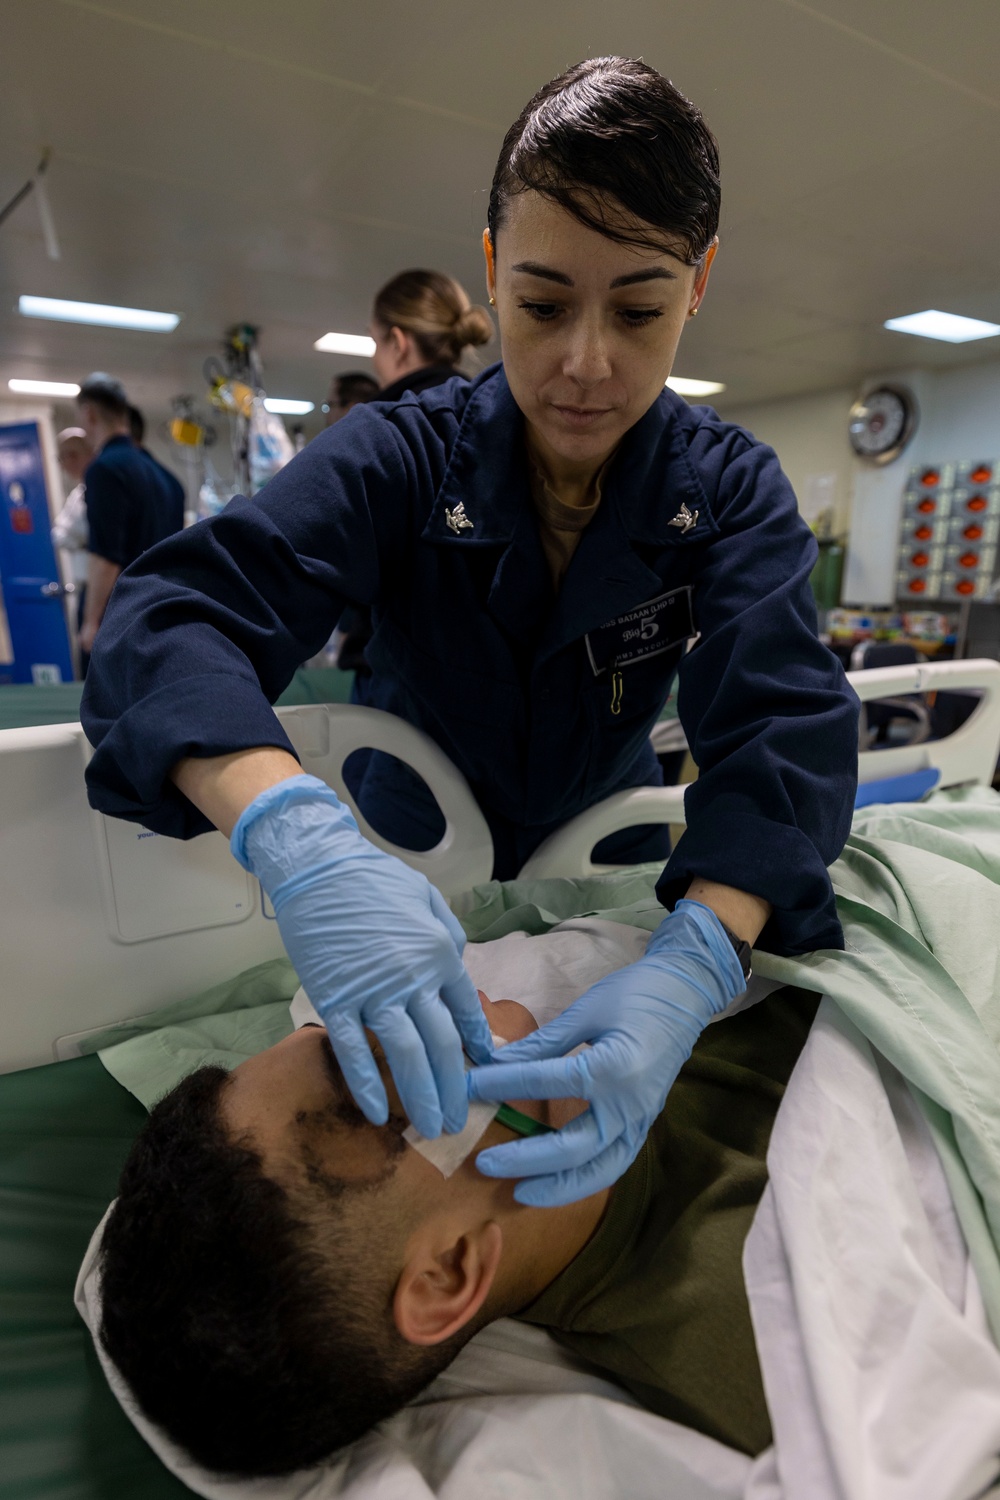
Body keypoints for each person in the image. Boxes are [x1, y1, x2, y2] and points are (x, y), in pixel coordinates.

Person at [81, 58, 858, 1209]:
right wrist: (298, 838)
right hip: (396, 855)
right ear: (491, 272)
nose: (586, 362)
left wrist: (697, 958)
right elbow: (171, 618)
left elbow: (784, 723)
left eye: (638, 310)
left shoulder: (727, 490)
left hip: (607, 855)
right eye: (543, 304)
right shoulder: (400, 457)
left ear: (697, 287)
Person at [97, 978, 818, 1477]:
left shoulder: (572, 1003)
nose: (401, 1003)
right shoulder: (790, 1342)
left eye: (328, 1025)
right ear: (448, 1273)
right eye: (380, 1073)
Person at [336, 269, 494, 692]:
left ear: (398, 342)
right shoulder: (497, 419)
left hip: (396, 679)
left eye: (375, 343)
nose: (374, 358)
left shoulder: (381, 430)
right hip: (484, 680)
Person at [76, 375, 185, 660]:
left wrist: (91, 622)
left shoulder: (105, 469)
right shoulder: (168, 479)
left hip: (119, 618)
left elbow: (106, 556)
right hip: (161, 615)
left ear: (89, 413)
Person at [50, 427, 93, 669]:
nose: (67, 462)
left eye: (73, 455)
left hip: (106, 590)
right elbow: (58, 534)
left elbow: (87, 534)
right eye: (62, 456)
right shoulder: (77, 494)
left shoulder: (100, 490)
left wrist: (82, 539)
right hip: (86, 588)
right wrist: (82, 540)